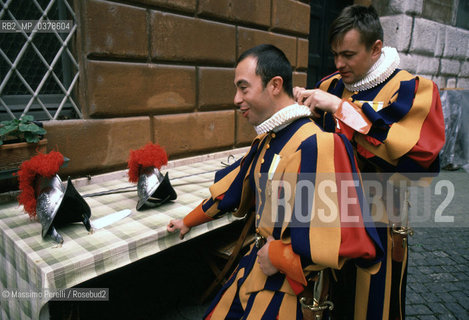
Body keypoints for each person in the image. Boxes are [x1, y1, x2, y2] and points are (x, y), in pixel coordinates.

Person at [167, 44, 383, 319]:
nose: (236, 99)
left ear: (275, 85)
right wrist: (188, 220)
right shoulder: (268, 138)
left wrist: (280, 256)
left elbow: (344, 237)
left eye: (243, 88)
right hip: (255, 268)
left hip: (290, 290)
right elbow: (232, 189)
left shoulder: (319, 145)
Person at [294, 5, 445, 319]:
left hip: (380, 216)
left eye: (349, 54)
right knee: (331, 295)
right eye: (335, 54)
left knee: (374, 301)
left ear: (376, 48)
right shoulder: (329, 85)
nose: (339, 64)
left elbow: (415, 154)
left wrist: (340, 108)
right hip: (329, 211)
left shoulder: (412, 89)